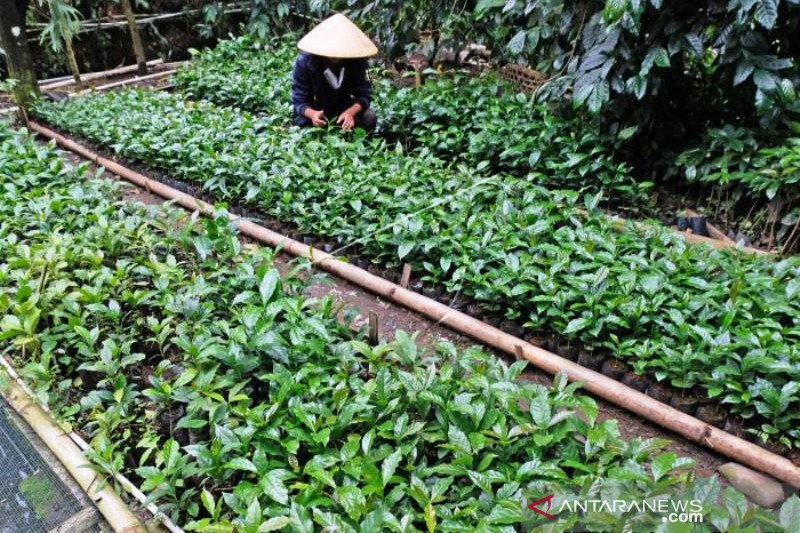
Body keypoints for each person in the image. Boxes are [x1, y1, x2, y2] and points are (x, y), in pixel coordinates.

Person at [291, 14, 378, 132]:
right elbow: (299, 99)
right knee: (301, 124)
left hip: (344, 108)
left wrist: (350, 113)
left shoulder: (356, 60)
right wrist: (313, 115)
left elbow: (364, 95)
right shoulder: (306, 61)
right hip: (317, 110)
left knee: (369, 118)